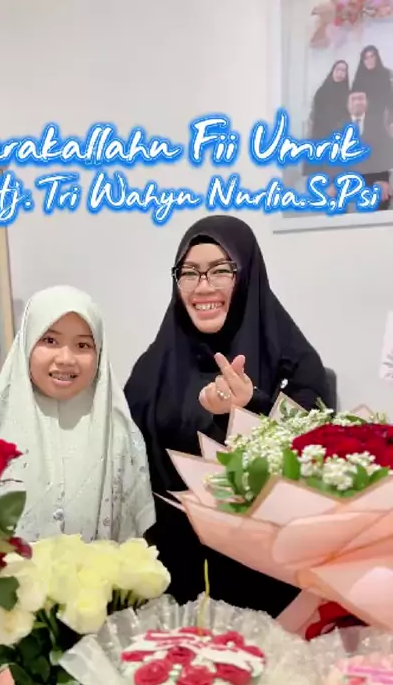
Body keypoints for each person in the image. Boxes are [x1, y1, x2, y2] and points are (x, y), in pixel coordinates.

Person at [124, 215, 330, 614]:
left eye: (220, 270)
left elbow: (317, 449)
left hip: (267, 577)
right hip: (175, 574)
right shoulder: (154, 367)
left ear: (247, 274)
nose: (203, 286)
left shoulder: (294, 362)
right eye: (189, 273)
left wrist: (251, 404)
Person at [0, 285, 155, 543]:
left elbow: (131, 539)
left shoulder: (119, 433)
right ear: (26, 342)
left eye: (82, 344)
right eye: (50, 341)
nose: (66, 358)